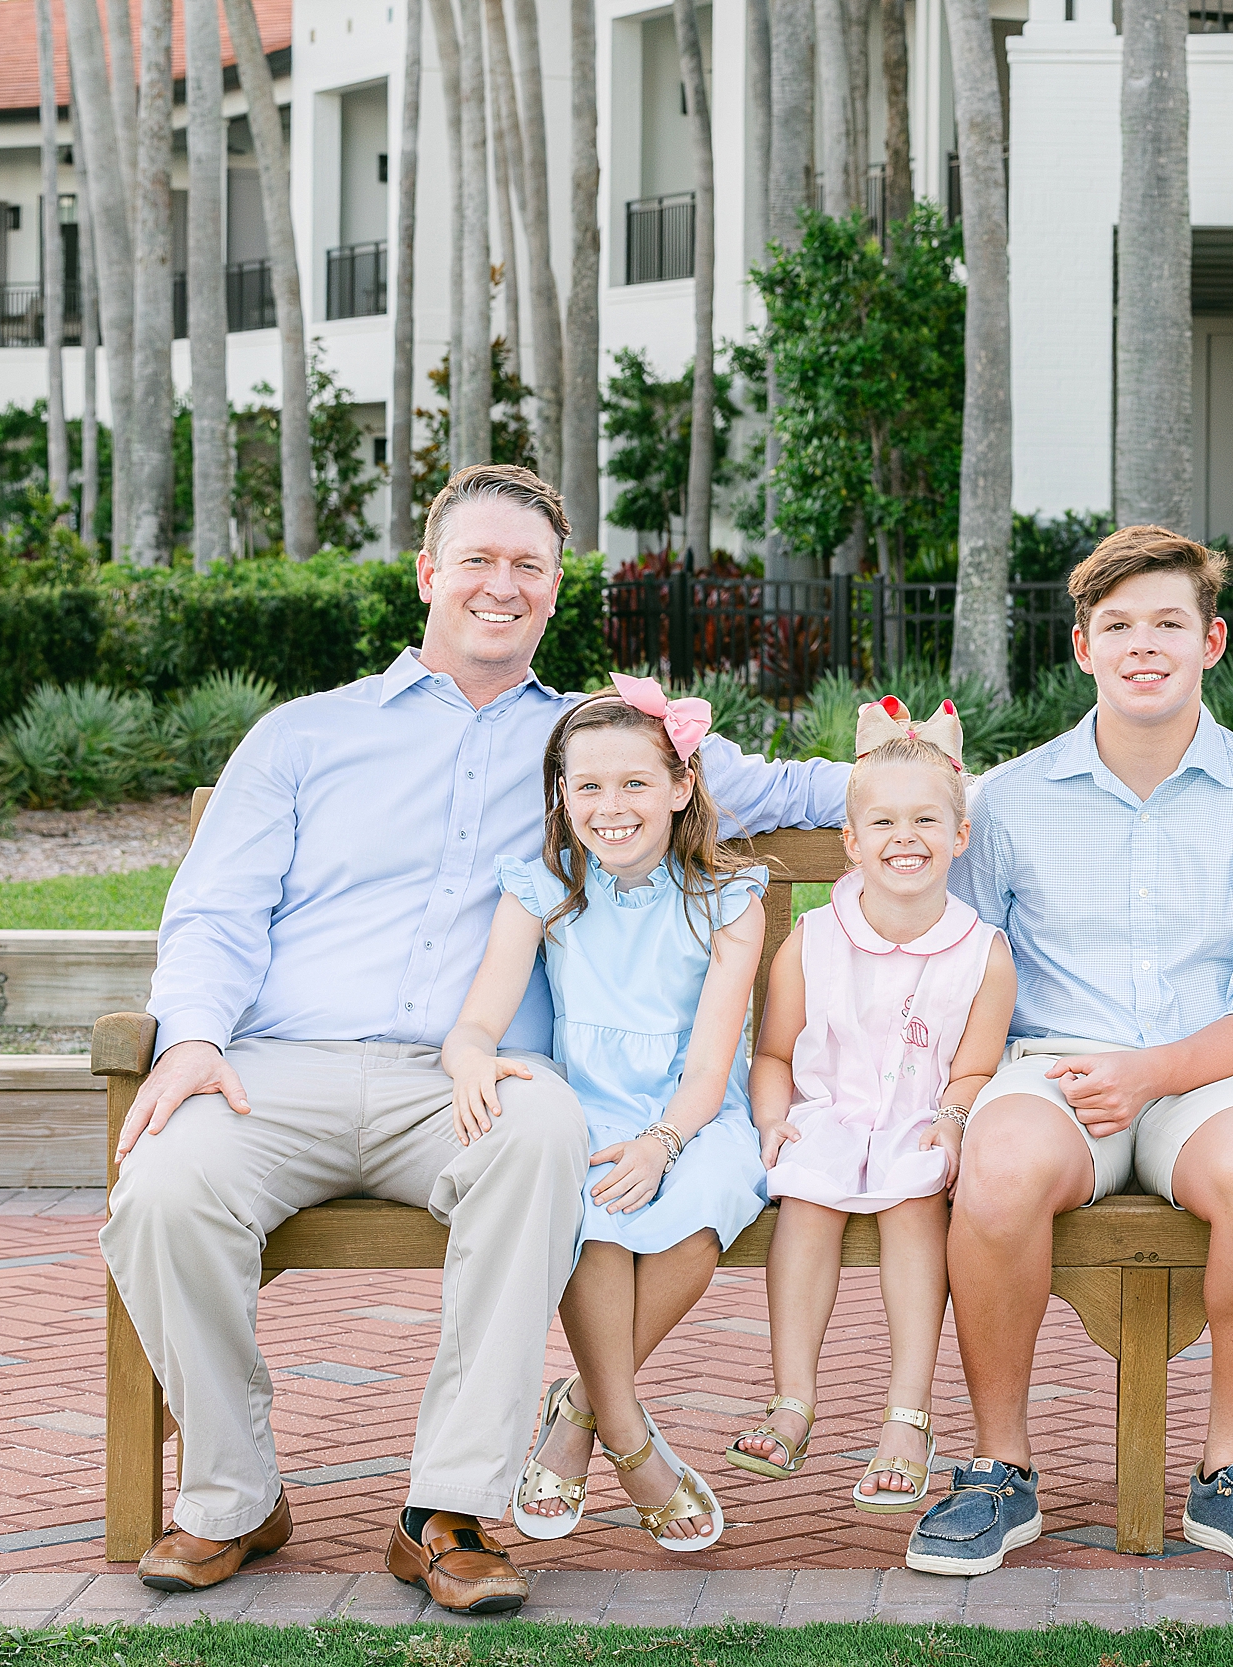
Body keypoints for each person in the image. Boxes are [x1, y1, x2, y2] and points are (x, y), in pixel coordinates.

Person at [100, 465, 850, 1612]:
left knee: (539, 1135)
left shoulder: (599, 745)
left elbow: (794, 780)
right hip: (277, 1066)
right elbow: (214, 910)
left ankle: (446, 1509)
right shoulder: (304, 736)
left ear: (555, 591)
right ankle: (233, 1495)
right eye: (479, 561)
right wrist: (193, 1036)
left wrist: (954, 787)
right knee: (161, 1187)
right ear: (428, 573)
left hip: (472, 1076)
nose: (502, 586)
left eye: (529, 568)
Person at [904, 525, 1233, 1580]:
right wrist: (967, 1094)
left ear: (1212, 641)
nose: (1145, 644)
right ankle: (999, 1465)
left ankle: (1231, 1469)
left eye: (1168, 623)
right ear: (1084, 646)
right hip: (1052, 1067)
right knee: (997, 1173)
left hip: (1213, 1075)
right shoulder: (1003, 801)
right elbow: (964, 967)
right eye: (1119, 626)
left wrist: (1152, 1072)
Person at [468, 676, 770, 1554]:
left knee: (693, 1220)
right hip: (586, 1102)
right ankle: (635, 1448)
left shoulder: (728, 901)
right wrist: (467, 1056)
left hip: (693, 1111)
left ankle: (580, 1412)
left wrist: (666, 1140)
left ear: (681, 788)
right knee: (595, 1214)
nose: (610, 807)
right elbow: (480, 1019)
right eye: (587, 786)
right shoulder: (542, 888)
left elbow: (712, 1064)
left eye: (635, 783)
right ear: (562, 796)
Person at [727, 699, 1015, 1515]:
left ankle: (907, 1414)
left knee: (916, 1198)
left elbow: (974, 1069)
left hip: (918, 1119)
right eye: (882, 820)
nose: (905, 835)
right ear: (851, 842)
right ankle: (793, 1398)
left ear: (959, 835)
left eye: (927, 818)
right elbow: (776, 1050)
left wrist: (954, 1118)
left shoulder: (982, 954)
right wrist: (773, 1115)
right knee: (806, 1202)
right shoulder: (813, 939)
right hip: (825, 1115)